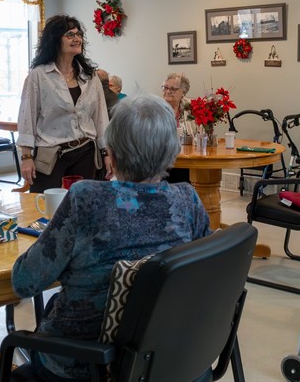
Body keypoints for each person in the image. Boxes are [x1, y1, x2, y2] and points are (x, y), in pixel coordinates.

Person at [12, 94, 211, 381]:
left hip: (86, 365)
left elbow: (25, 282)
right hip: (166, 360)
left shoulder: (86, 198)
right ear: (172, 152)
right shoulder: (187, 200)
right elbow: (204, 272)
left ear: (113, 154)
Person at [17, 15, 112, 193]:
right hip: (50, 154)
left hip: (85, 152)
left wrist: (106, 152)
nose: (77, 38)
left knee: (81, 205)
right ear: (55, 39)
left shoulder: (90, 76)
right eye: (70, 34)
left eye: (79, 34)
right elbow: (27, 117)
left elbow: (101, 118)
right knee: (44, 203)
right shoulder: (39, 75)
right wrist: (26, 157)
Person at [161, 72, 192, 184]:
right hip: (161, 157)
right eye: (165, 87)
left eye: (173, 89)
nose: (168, 91)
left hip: (187, 157)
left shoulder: (190, 108)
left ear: (183, 92)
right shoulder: (156, 108)